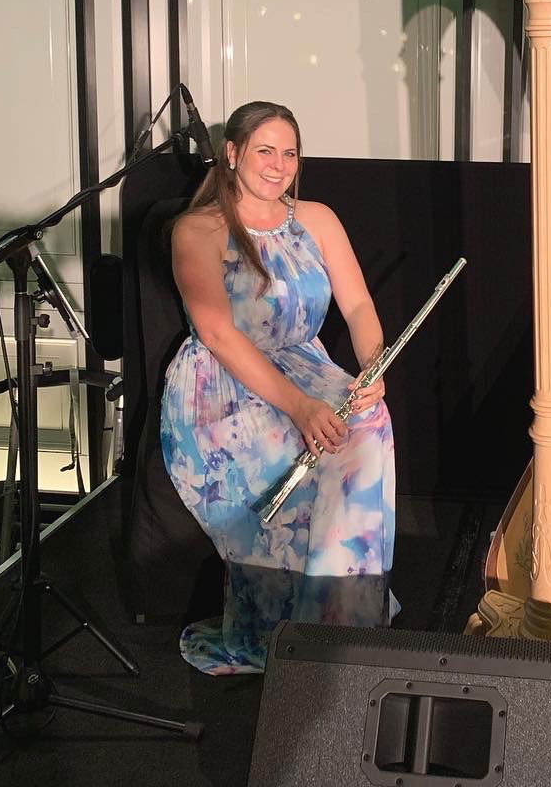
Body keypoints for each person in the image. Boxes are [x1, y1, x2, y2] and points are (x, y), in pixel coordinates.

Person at [160, 100, 395, 675]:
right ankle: (282, 635)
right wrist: (298, 407)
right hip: (224, 383)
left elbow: (360, 304)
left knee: (367, 424)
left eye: (289, 152)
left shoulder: (316, 217)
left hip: (304, 364)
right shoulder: (199, 229)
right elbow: (215, 330)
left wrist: (372, 367)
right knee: (304, 449)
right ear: (233, 154)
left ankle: (339, 619)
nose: (279, 163)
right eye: (265, 150)